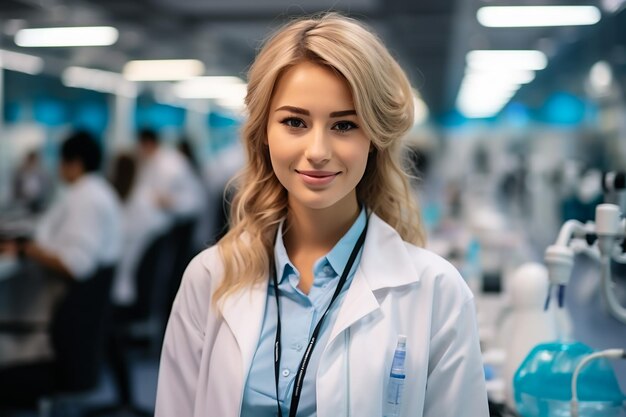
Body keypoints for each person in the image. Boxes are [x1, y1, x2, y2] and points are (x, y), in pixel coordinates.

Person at [155, 13, 488, 417]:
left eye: (344, 125)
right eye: (294, 121)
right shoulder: (209, 278)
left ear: (374, 140)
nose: (317, 151)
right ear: (264, 132)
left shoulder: (437, 292)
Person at [0, 130, 122, 365]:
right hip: (73, 315)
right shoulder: (96, 191)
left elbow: (74, 265)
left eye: (60, 161)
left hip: (58, 320)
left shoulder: (86, 199)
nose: (57, 168)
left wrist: (26, 250)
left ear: (75, 164)